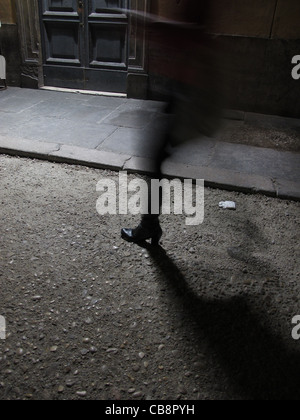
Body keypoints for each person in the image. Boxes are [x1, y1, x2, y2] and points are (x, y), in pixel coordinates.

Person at [121, 0, 221, 245]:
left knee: (154, 162)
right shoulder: (193, 30)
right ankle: (150, 225)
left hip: (188, 104)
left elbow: (175, 31)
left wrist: (138, 17)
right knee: (154, 161)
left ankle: (149, 226)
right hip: (183, 99)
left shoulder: (192, 31)